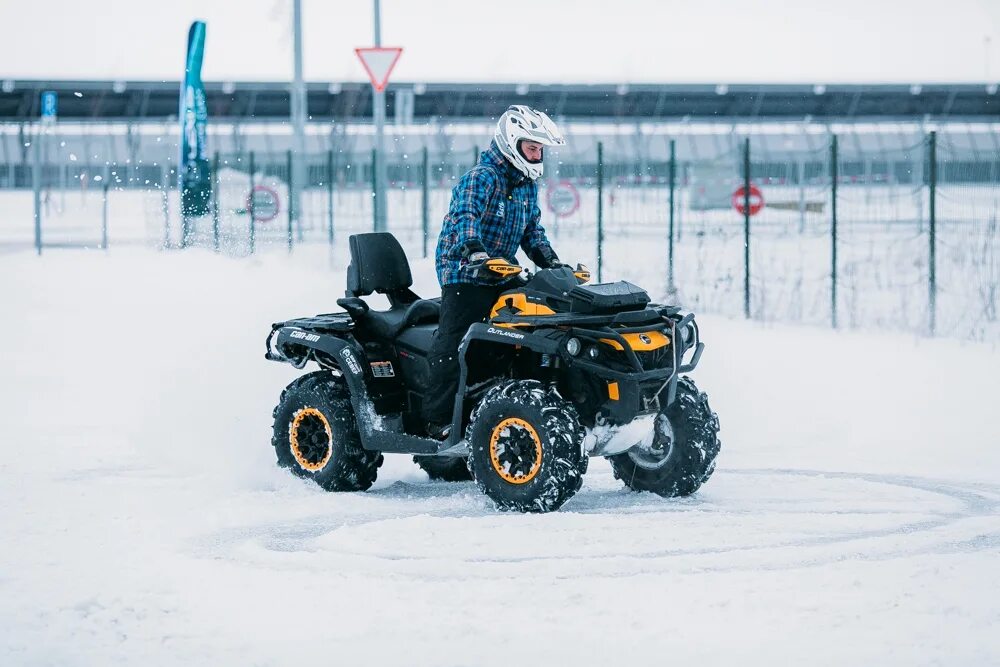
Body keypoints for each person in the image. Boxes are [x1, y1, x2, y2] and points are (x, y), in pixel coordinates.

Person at [424, 105, 568, 438]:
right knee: (456, 336)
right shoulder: (483, 176)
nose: (536, 156)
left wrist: (551, 262)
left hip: (500, 269)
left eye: (539, 150)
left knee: (527, 326)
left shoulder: (526, 185)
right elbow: (465, 216)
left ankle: (500, 397)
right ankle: (437, 419)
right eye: (531, 148)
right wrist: (474, 249)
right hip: (463, 269)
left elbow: (532, 232)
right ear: (511, 144)